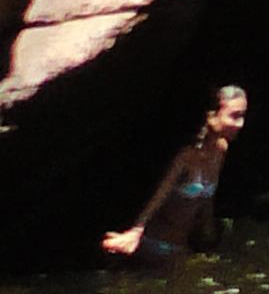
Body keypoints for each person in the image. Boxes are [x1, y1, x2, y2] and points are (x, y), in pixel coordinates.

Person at [103, 87, 246, 266]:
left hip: (180, 248)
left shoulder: (221, 149)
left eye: (243, 116)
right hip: (153, 245)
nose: (241, 123)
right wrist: (136, 231)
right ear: (211, 115)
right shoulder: (184, 156)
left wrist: (208, 230)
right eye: (235, 116)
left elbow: (208, 196)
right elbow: (158, 195)